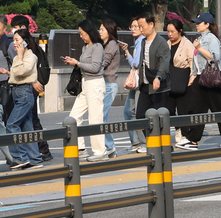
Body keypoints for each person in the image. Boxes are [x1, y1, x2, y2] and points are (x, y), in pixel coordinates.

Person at [62, 20, 111, 161]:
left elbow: (95, 68)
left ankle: (100, 152)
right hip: (85, 83)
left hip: (95, 84)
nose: (81, 36)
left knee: (95, 119)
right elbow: (85, 65)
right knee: (73, 116)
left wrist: (77, 63)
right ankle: (80, 147)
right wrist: (74, 62)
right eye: (80, 34)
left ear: (89, 32)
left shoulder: (97, 47)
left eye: (82, 33)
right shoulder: (86, 47)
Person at [186, 12, 221, 147]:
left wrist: (199, 48)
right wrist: (193, 75)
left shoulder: (211, 39)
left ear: (207, 24)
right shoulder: (200, 38)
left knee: (219, 109)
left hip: (211, 78)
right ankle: (193, 139)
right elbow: (196, 61)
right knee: (196, 108)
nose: (196, 25)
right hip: (200, 78)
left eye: (199, 23)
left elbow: (215, 58)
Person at [128, 14, 170, 154]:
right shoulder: (143, 42)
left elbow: (164, 62)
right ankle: (154, 142)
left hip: (159, 86)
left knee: (160, 117)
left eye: (142, 26)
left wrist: (158, 77)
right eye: (138, 26)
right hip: (145, 85)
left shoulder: (161, 42)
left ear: (151, 25)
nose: (141, 29)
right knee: (140, 116)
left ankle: (164, 145)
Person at [6, 31, 43, 170]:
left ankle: (20, 158)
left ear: (25, 41)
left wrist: (20, 56)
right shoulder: (18, 57)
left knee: (11, 125)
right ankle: (35, 159)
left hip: (24, 93)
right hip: (17, 92)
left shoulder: (30, 56)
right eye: (13, 40)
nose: (14, 43)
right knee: (27, 128)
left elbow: (22, 71)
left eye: (17, 40)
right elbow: (16, 73)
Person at [162, 17, 198, 150]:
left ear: (180, 31)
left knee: (183, 109)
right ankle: (178, 129)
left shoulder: (187, 44)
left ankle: (185, 136)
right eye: (168, 31)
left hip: (184, 81)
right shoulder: (167, 44)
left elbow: (193, 62)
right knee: (169, 110)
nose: (170, 34)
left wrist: (192, 78)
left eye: (172, 31)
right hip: (170, 82)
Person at [97, 19, 126, 157]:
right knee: (100, 117)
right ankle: (109, 148)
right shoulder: (102, 45)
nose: (99, 32)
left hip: (109, 84)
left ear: (109, 31)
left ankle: (110, 147)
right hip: (102, 84)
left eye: (102, 29)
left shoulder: (112, 44)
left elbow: (104, 62)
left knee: (102, 117)